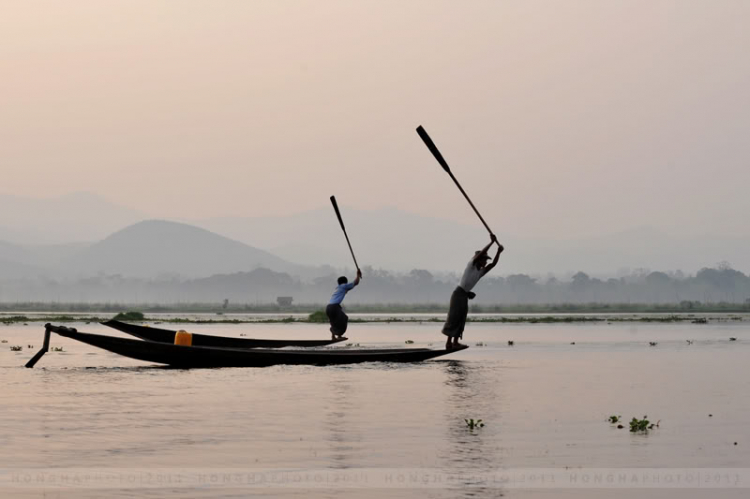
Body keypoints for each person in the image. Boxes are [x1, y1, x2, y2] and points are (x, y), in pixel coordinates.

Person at [442, 234, 503, 349]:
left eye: (485, 260)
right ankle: (449, 343)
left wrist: (499, 252)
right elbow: (480, 254)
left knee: (461, 318)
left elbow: (493, 264)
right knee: (454, 317)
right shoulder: (471, 265)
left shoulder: (480, 272)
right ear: (479, 260)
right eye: (484, 260)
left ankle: (455, 342)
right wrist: (491, 243)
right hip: (458, 294)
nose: (485, 262)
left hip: (464, 295)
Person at [326, 269, 362, 338]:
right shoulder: (344, 286)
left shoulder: (338, 288)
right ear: (345, 283)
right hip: (334, 307)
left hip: (328, 307)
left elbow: (346, 291)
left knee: (333, 321)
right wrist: (358, 275)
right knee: (344, 318)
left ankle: (333, 335)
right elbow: (355, 283)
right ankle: (339, 335)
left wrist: (358, 276)